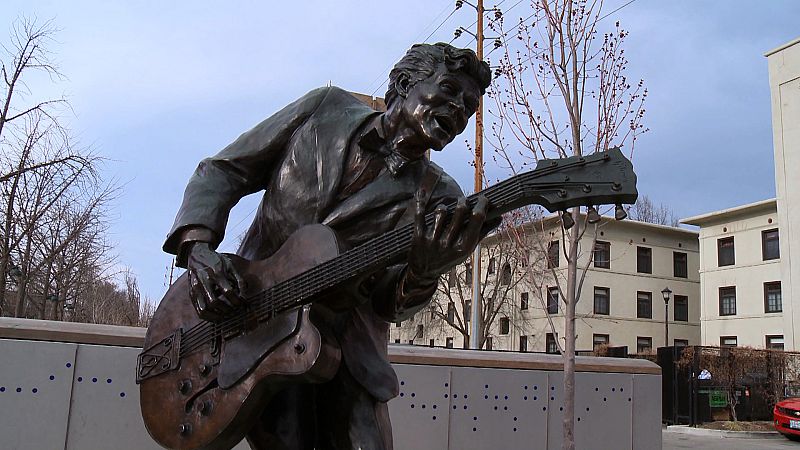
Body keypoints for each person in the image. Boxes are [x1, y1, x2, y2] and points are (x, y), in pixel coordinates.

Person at [163, 42, 493, 450]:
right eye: (448, 91)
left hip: (350, 355)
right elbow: (223, 170)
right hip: (254, 326)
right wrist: (198, 249)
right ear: (406, 83)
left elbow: (391, 303)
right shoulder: (324, 110)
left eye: (468, 107)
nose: (458, 112)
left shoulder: (440, 197)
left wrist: (424, 273)